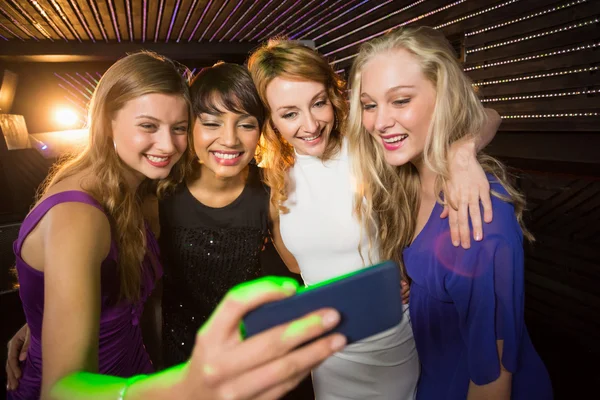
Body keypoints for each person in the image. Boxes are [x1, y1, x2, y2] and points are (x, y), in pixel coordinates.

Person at [5, 52, 345, 400]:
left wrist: (52, 319)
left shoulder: (134, 192)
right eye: (148, 126)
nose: (167, 144)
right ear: (107, 121)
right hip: (163, 374)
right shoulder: (118, 204)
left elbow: (305, 268)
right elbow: (61, 388)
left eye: (177, 128)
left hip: (167, 369)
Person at [247, 39, 500, 399]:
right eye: (289, 113)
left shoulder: (368, 145)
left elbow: (489, 116)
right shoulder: (273, 179)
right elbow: (298, 266)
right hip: (329, 351)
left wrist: (462, 153)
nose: (311, 124)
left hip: (389, 342)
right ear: (270, 119)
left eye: (318, 103)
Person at [347, 26, 552, 399]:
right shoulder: (408, 184)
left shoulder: (474, 213)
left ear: (443, 98)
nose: (379, 122)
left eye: (401, 100)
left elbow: (492, 383)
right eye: (370, 104)